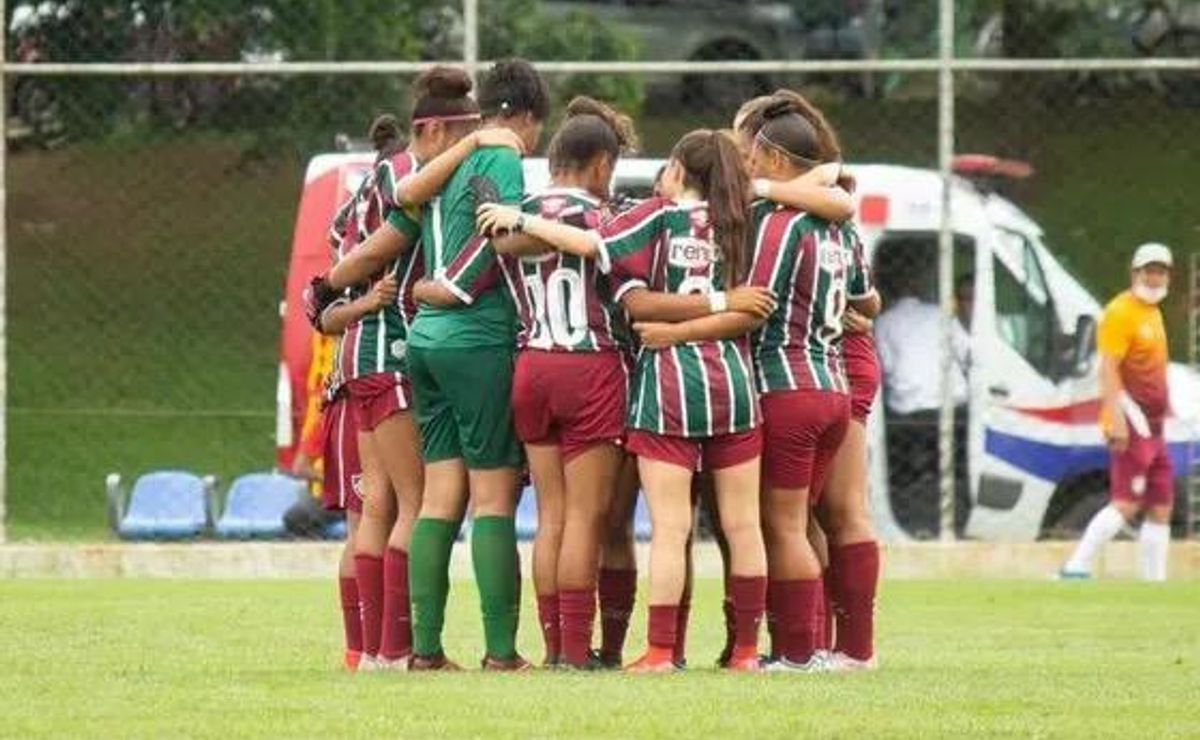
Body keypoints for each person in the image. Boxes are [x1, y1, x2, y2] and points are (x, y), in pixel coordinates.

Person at [480, 129, 777, 673]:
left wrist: (520, 220)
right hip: (731, 385)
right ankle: (746, 651)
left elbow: (601, 255)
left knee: (635, 525)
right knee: (742, 525)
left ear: (680, 172)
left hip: (649, 381)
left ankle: (629, 651)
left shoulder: (651, 217)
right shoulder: (747, 221)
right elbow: (756, 306)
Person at [400, 58, 550, 672]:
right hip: (476, 336)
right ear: (525, 115)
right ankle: (500, 652)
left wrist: (431, 290)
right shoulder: (501, 155)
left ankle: (425, 650)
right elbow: (497, 235)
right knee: (493, 502)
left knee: (439, 498)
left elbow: (407, 201)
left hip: (424, 343)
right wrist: (457, 289)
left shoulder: (450, 152)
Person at [482, 96, 639, 668]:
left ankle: (552, 648)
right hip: (589, 365)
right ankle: (576, 652)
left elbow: (504, 250)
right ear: (600, 165)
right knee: (585, 518)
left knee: (550, 515)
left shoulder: (513, 212)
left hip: (532, 365)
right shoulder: (605, 217)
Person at [736, 100, 878, 671]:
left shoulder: (778, 222)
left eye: (751, 156)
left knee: (785, 524)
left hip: (786, 385)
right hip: (833, 384)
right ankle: (845, 648)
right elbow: (866, 296)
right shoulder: (837, 228)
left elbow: (756, 303)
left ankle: (798, 653)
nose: (746, 166)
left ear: (771, 156)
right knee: (812, 519)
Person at [1061, 243, 1175, 581]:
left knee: (1161, 505)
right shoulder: (1120, 312)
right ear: (1134, 273)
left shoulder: (1153, 312)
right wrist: (1115, 419)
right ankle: (1075, 567)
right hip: (1132, 421)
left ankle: (1153, 583)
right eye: (1148, 271)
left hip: (1155, 426)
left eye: (1160, 271)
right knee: (1126, 502)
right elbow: (1108, 368)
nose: (1154, 278)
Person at [873, 268, 971, 538]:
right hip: (951, 407)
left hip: (908, 412)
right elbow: (967, 352)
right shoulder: (941, 315)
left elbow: (887, 367)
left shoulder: (883, 322)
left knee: (903, 459)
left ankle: (910, 496)